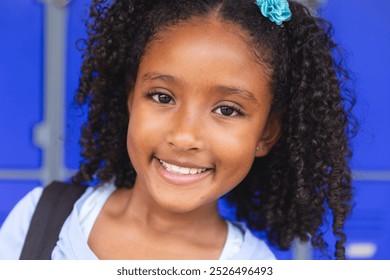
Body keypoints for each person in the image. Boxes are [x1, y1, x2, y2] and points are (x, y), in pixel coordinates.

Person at [0, 0, 357, 260]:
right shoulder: (41, 219)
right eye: (161, 96)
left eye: (227, 109)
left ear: (267, 133)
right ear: (130, 99)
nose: (184, 136)